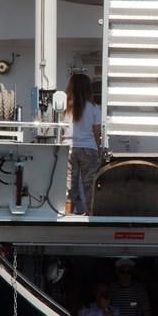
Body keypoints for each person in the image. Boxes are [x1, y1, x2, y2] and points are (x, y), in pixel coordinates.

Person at [64, 73, 101, 215]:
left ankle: (68, 214)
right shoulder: (94, 108)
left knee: (69, 184)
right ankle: (91, 215)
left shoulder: (64, 108)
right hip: (88, 148)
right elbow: (97, 133)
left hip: (68, 148)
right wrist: (99, 149)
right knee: (90, 184)